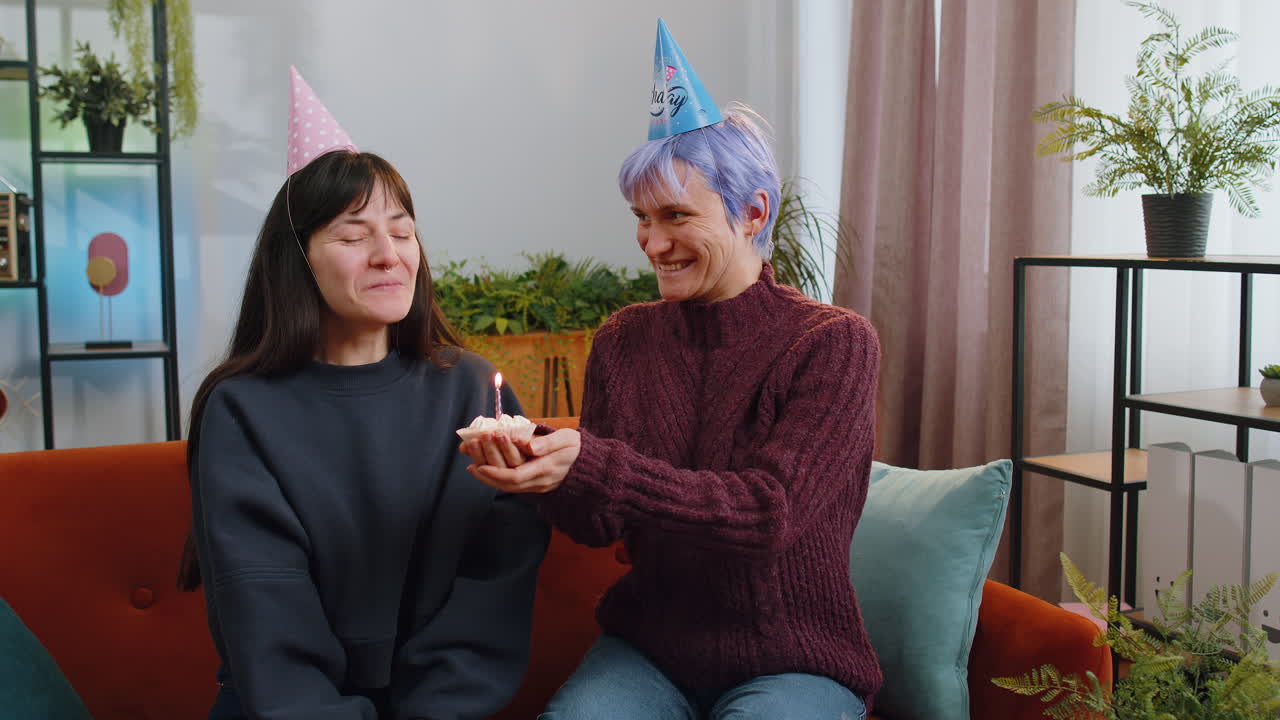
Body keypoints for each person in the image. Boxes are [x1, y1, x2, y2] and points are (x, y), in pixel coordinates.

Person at [461, 20, 882, 720]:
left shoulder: (833, 344)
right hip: (651, 651)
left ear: (752, 212)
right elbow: (598, 522)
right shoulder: (626, 340)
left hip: (795, 659)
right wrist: (536, 465)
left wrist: (595, 462)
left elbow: (767, 514)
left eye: (675, 215)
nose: (652, 242)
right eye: (641, 217)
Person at [179, 68, 548, 720]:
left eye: (402, 232)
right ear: (297, 260)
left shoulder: (470, 389)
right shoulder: (241, 410)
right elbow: (268, 629)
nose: (388, 254)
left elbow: (494, 586)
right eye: (353, 236)